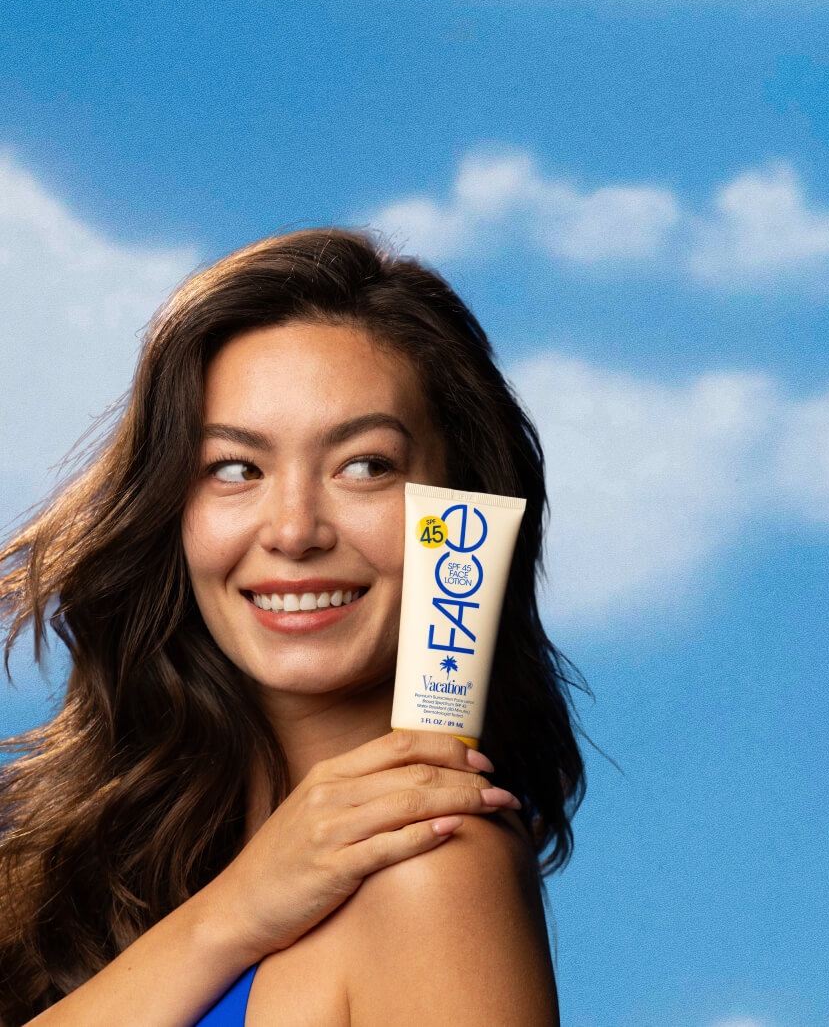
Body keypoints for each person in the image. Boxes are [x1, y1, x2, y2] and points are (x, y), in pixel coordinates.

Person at [0, 230, 584, 1026]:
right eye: (235, 469)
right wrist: (232, 913)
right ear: (171, 511)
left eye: (366, 465)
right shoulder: (113, 875)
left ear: (459, 508)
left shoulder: (434, 867)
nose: (294, 530)